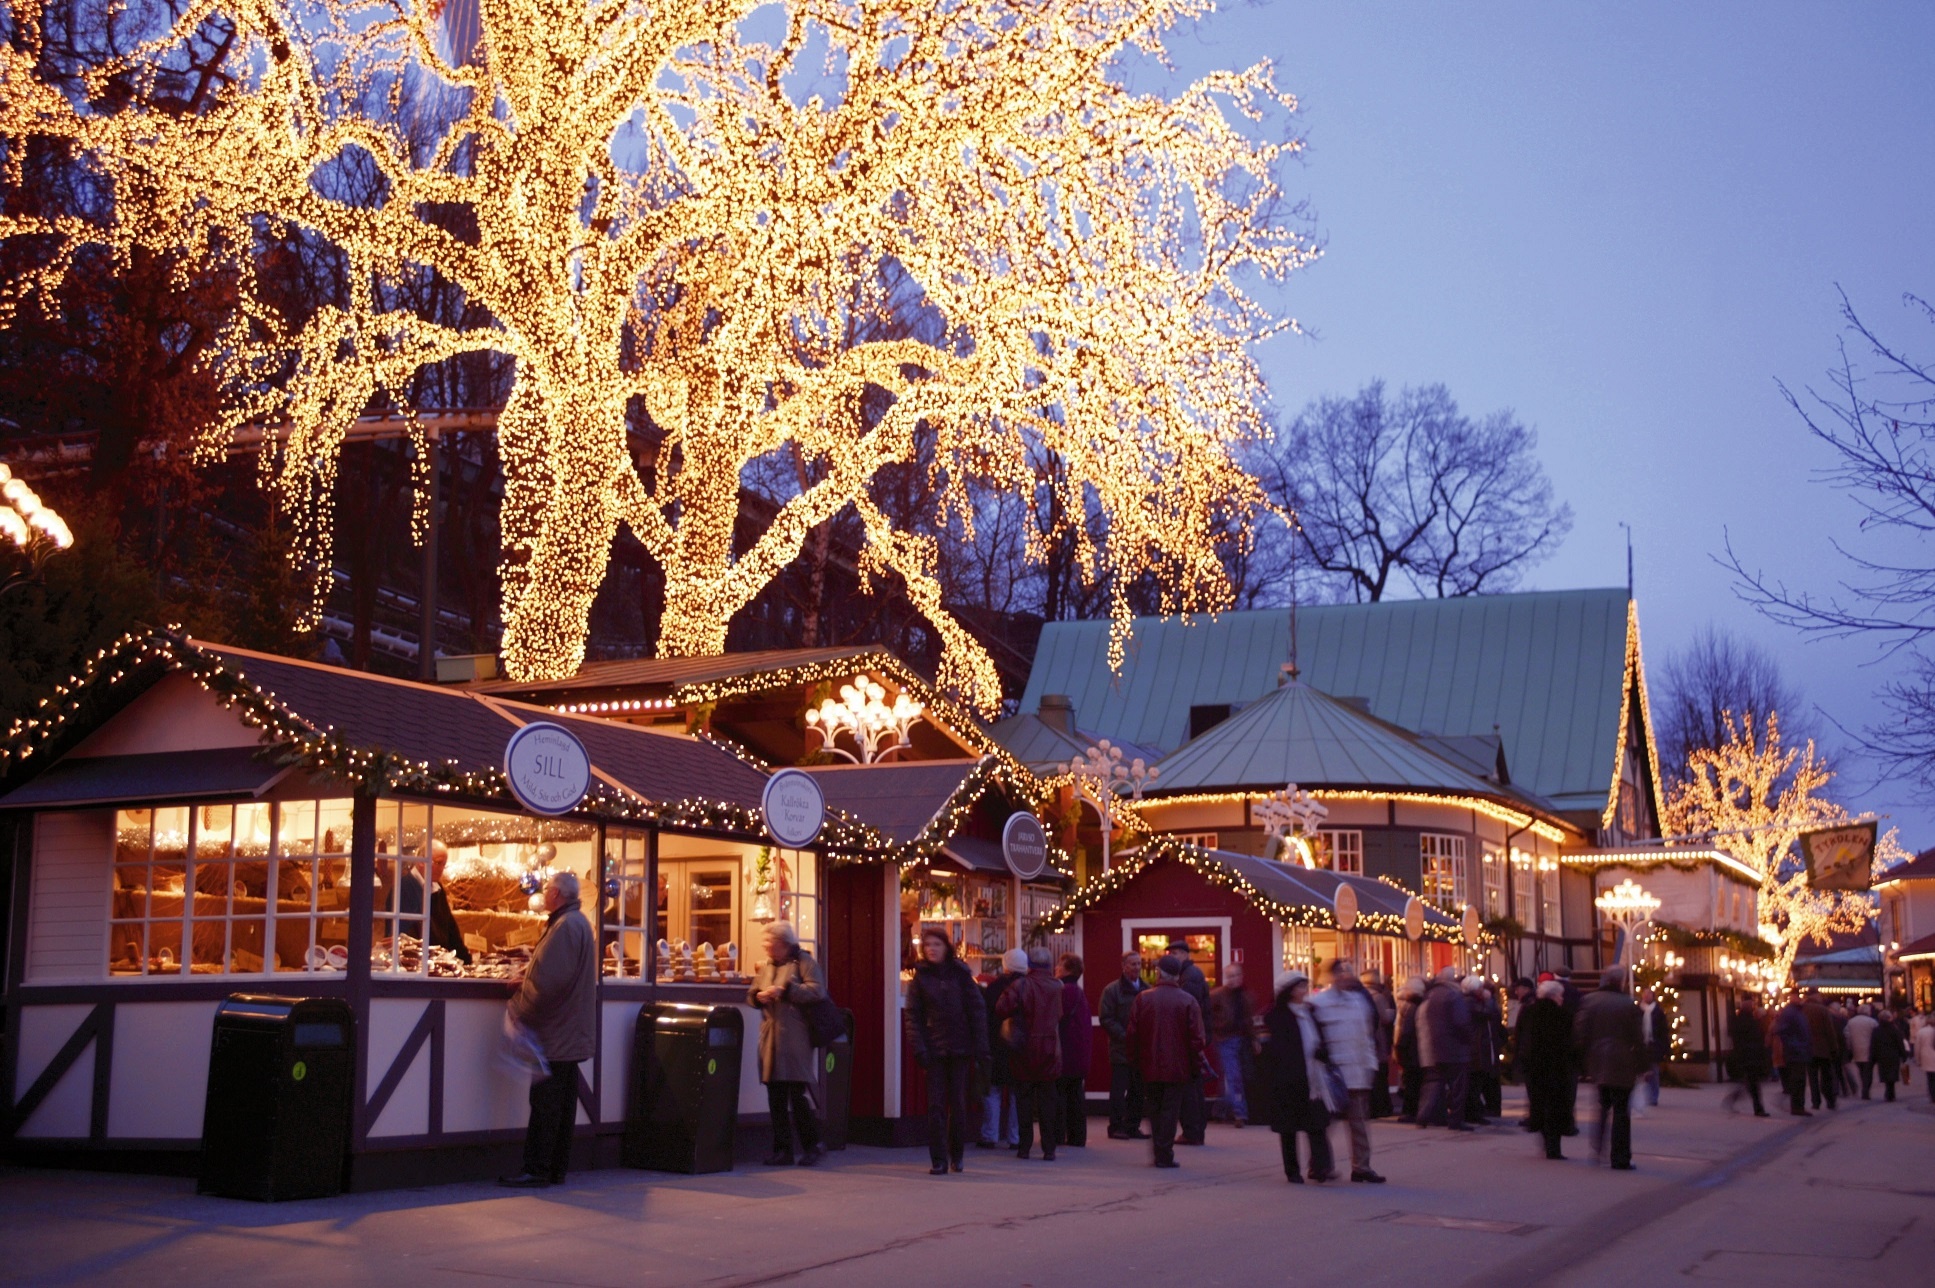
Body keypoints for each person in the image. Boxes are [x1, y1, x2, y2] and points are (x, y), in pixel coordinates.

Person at [498, 870, 597, 1188]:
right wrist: (527, 975)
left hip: (556, 1031)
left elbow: (550, 981)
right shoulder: (576, 923)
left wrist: (520, 1009)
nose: (545, 893)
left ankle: (538, 1168)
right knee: (561, 1104)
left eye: (549, 889)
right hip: (567, 1031)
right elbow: (553, 972)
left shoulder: (565, 926)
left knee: (546, 1103)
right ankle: (554, 1168)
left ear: (557, 895)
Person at [906, 928, 988, 1175]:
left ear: (946, 947)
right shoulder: (920, 978)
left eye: (937, 945)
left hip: (960, 1047)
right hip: (934, 1049)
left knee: (958, 1105)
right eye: (928, 945)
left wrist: (981, 1048)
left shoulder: (961, 975)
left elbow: (976, 1011)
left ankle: (957, 1154)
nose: (931, 949)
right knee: (936, 1107)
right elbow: (913, 1017)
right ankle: (938, 1159)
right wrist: (920, 1048)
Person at [749, 920, 827, 1167]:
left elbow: (817, 992)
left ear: (783, 942)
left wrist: (786, 990)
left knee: (797, 1094)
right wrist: (758, 997)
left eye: (769, 942)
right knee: (776, 1096)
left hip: (796, 1037)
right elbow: (752, 993)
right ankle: (782, 1150)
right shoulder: (767, 966)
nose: (765, 946)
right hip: (771, 1037)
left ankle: (812, 1146)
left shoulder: (804, 962)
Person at [1126, 955, 1206, 1168]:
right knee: (1171, 1109)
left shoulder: (1143, 998)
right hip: (1178, 1067)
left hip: (1149, 1064)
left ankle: (1158, 1150)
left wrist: (1133, 1063)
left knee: (1154, 1108)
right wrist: (1196, 1066)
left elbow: (1132, 1034)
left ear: (1159, 973)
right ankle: (1164, 1152)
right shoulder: (1188, 1001)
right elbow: (1197, 1040)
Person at [1312, 958, 1385, 1182]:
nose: (1344, 976)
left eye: (1346, 972)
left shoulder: (1358, 1001)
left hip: (1357, 1069)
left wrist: (1370, 1064)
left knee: (1359, 1123)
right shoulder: (1319, 1003)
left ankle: (1362, 1166)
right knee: (1326, 1122)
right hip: (1333, 1073)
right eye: (1340, 973)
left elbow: (1366, 1036)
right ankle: (1320, 1164)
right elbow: (1315, 1040)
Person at [1260, 970, 1335, 1183]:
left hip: (1313, 1078)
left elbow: (1320, 1037)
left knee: (1317, 1125)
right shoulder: (1276, 1015)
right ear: (1289, 991)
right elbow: (1273, 1050)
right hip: (1288, 1079)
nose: (1305, 990)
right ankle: (1292, 1171)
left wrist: (1323, 1053)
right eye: (1300, 987)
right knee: (1289, 1129)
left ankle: (1321, 1168)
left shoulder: (1309, 1011)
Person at [998, 946, 1065, 1160]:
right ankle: (1049, 1148)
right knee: (1047, 1102)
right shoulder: (1057, 986)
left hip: (1024, 1049)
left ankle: (1024, 1147)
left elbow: (1001, 1008)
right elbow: (1061, 1015)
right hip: (1050, 1049)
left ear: (1030, 965)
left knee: (1024, 1100)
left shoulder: (1021, 985)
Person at [1575, 968, 1643, 1171]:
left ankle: (1597, 1146)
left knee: (1602, 1105)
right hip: (1622, 1059)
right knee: (1622, 1110)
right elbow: (1638, 1037)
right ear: (1621, 981)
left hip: (1597, 1059)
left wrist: (1582, 1060)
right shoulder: (1628, 1004)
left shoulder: (1589, 1000)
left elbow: (1580, 1032)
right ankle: (1620, 1157)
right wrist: (1643, 1064)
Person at [1516, 979, 1574, 1159]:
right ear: (1554, 995)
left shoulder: (1528, 1011)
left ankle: (1543, 1139)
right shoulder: (1561, 1014)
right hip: (1555, 1068)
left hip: (1533, 1067)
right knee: (1555, 1107)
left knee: (1539, 1103)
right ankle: (1553, 1147)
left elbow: (1520, 1037)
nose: (1562, 999)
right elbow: (1568, 1043)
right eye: (1560, 995)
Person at [977, 949, 1028, 1149]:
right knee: (1017, 1093)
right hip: (1021, 1047)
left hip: (996, 1045)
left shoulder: (994, 987)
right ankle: (1015, 1137)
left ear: (1006, 965)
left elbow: (987, 1018)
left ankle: (990, 1134)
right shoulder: (1029, 986)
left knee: (993, 1091)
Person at [1164, 938, 1211, 1145]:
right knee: (1193, 1087)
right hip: (1195, 1038)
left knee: (1189, 1089)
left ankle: (1192, 1131)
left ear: (1184, 955)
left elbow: (1187, 1009)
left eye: (1174, 954)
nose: (1172, 957)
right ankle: (1196, 1129)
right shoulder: (1192, 974)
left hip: (1188, 1040)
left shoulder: (1189, 978)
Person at [1098, 952, 1147, 1139]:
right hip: (1120, 1049)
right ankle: (1116, 1126)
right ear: (1123, 966)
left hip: (1139, 1050)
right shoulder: (1112, 991)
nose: (1136, 967)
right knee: (1119, 1090)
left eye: (1139, 964)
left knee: (1138, 1089)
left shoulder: (1146, 989)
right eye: (1133, 964)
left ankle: (1133, 1126)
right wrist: (1124, 1036)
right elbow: (1106, 1018)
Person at [1418, 968, 1474, 1132]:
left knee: (1435, 1084)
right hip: (1455, 1048)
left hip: (1436, 1047)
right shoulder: (1453, 995)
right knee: (1458, 1087)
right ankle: (1456, 1120)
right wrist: (1468, 1039)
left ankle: (1424, 1115)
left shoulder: (1431, 995)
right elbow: (1461, 1022)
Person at [1208, 963, 1254, 1126]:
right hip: (1225, 1040)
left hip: (1241, 1039)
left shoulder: (1246, 996)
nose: (1233, 979)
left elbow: (1249, 1020)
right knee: (1234, 1076)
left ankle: (1219, 1110)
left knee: (1231, 1076)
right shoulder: (1218, 995)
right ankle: (1240, 1114)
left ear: (1241, 976)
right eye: (1230, 976)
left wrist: (1253, 1039)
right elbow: (1206, 1013)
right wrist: (1217, 1028)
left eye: (1236, 976)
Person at [1056, 954, 1092, 1149]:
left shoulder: (1064, 991)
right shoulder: (1078, 992)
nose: (1056, 967)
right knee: (1076, 1094)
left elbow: (1058, 1017)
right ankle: (1077, 1136)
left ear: (1066, 969)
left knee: (1061, 1092)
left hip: (1066, 1050)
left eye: (1060, 965)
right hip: (1079, 1052)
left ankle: (1059, 1134)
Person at [1722, 995, 1772, 1117]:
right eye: (1750, 1004)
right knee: (1752, 1083)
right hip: (1748, 1056)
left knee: (1749, 1083)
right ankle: (1758, 1108)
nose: (1752, 1006)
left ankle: (1736, 1099)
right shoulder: (1744, 1020)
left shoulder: (1747, 1019)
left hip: (1750, 1055)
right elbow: (1742, 1039)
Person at [1464, 976, 1503, 1123]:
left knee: (1479, 1080)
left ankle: (1479, 1110)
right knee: (1475, 1081)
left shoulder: (1471, 1002)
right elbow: (1487, 1013)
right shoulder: (1471, 1003)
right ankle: (1474, 1112)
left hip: (1481, 1046)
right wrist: (1489, 1000)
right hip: (1477, 1047)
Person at [1772, 992, 1814, 1117]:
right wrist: (1795, 1045)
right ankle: (1797, 1106)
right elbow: (1782, 1031)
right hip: (1796, 1051)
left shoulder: (1797, 1012)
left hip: (1800, 1050)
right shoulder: (1791, 1012)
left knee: (1800, 1080)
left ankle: (1798, 1106)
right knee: (1797, 1079)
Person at [1363, 969, 1398, 1118]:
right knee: (1380, 1075)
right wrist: (1392, 1013)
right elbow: (1385, 1018)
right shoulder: (1379, 997)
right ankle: (1381, 1107)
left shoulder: (1360, 996)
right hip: (1378, 1039)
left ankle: (1372, 1107)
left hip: (1365, 1040)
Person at [1394, 976, 1426, 1122]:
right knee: (1415, 1081)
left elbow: (1404, 1031)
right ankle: (1413, 1110)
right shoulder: (1420, 1005)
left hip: (1410, 1049)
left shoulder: (1409, 1007)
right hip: (1418, 1048)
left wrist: (1399, 1047)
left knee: (1411, 1082)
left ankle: (1409, 1111)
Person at [1637, 987, 1670, 1106]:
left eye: (1649, 994)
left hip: (1654, 1045)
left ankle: (1653, 1097)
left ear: (1653, 996)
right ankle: (1643, 1096)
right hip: (1641, 1045)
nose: (1646, 996)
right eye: (1645, 994)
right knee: (1641, 1073)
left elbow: (1663, 1031)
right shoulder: (1637, 1010)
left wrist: (1664, 1047)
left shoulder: (1658, 1012)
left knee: (1654, 1072)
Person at [1872, 1008, 1907, 1102]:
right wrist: (1904, 1055)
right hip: (1893, 1055)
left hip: (1882, 1055)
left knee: (1885, 1074)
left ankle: (1889, 1092)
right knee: (1892, 1074)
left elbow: (1873, 1044)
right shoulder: (1894, 1029)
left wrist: (1873, 1057)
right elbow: (1900, 1043)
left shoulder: (1876, 1030)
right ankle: (1890, 1093)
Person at [1846, 1005, 1879, 1100]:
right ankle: (1866, 1089)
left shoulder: (1851, 1022)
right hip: (1869, 1050)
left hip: (1856, 1050)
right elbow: (1876, 1036)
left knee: (1861, 1071)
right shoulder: (1872, 1022)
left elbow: (1847, 1035)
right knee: (1868, 1072)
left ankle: (1864, 1087)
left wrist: (1849, 1047)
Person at [1916, 1012, 1935, 1103]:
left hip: (1926, 1057)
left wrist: (1918, 1059)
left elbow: (1917, 1047)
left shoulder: (1921, 1032)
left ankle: (1932, 1096)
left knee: (1930, 1078)